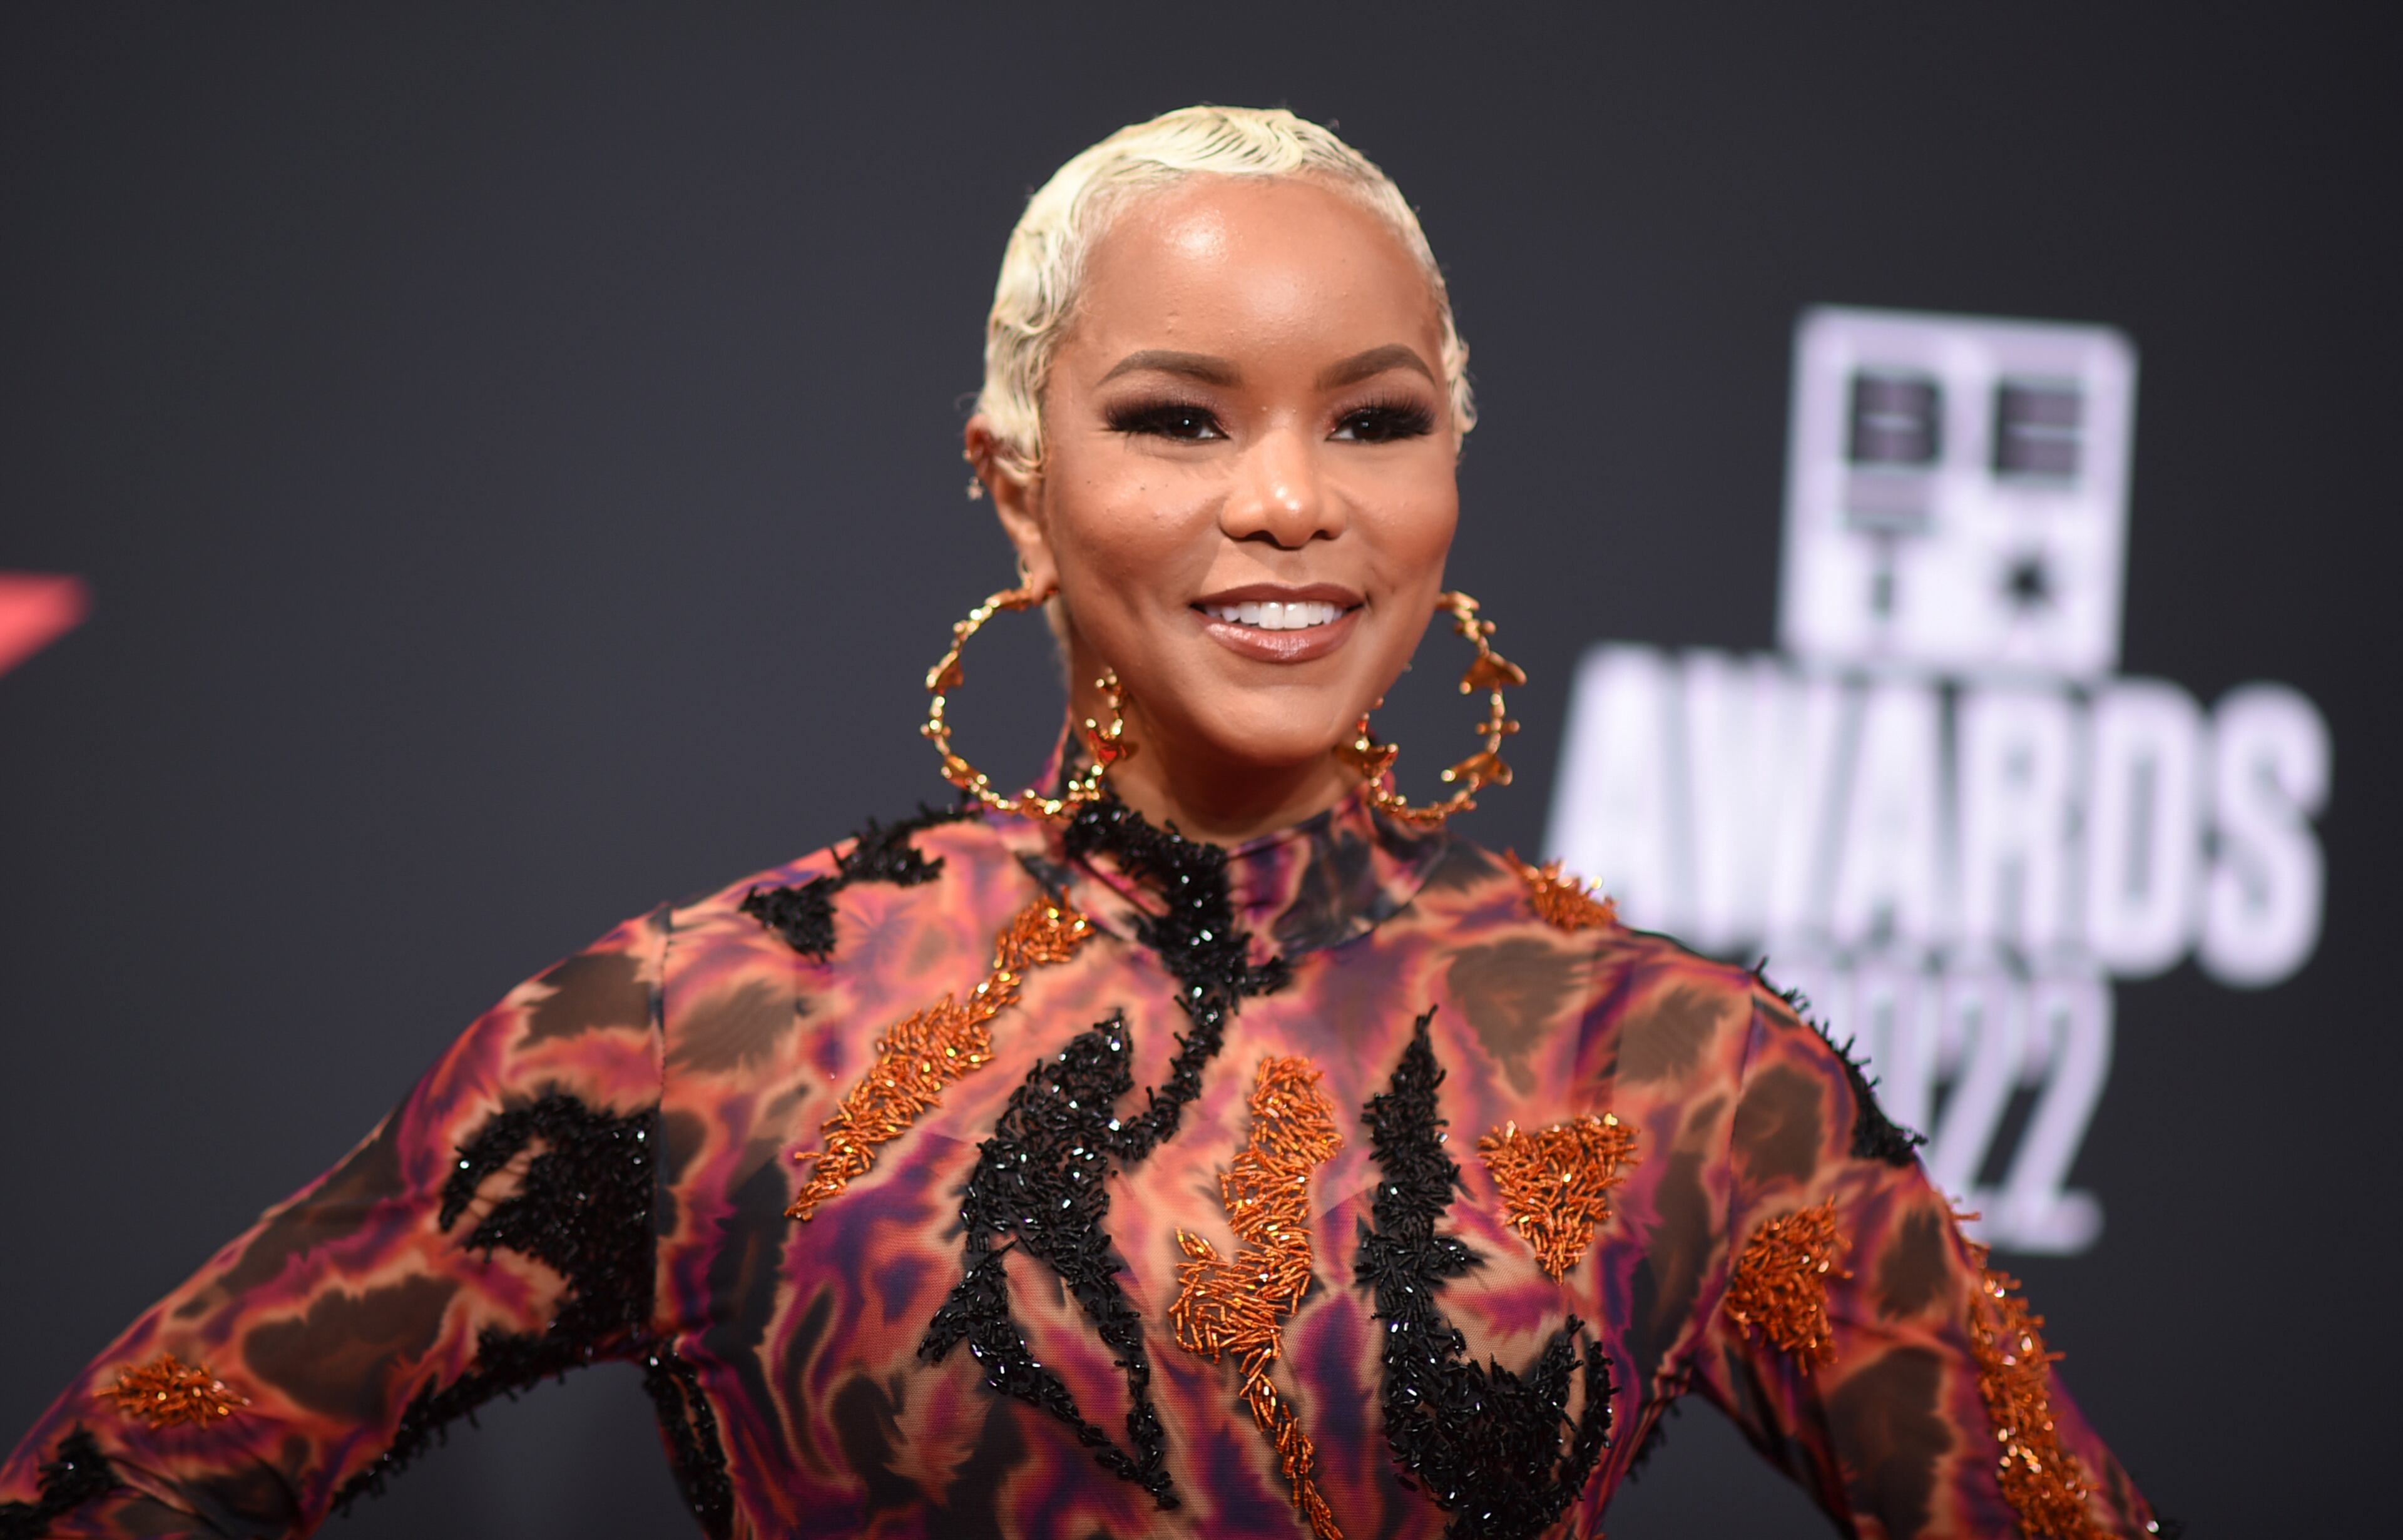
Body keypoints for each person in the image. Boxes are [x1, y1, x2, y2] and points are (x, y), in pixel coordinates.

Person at [0, 106, 2167, 1540]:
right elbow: (132, 1478)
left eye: (1374, 421)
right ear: (1016, 483)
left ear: (1447, 481)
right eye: (1179, 418)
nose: (1293, 498)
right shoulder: (710, 1031)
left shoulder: (1685, 1078)